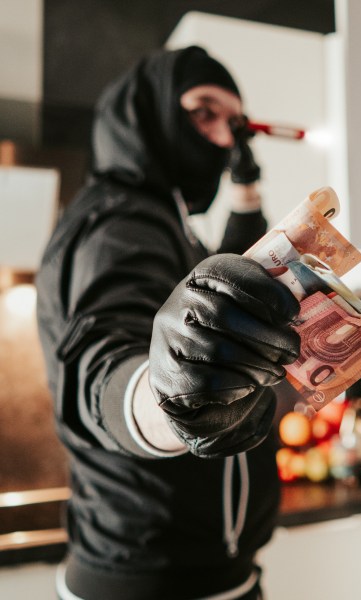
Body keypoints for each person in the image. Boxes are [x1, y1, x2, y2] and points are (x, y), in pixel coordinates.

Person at [36, 45, 300, 600]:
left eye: (234, 125)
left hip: (207, 574)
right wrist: (168, 395)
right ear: (146, 113)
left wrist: (246, 191)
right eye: (203, 112)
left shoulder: (164, 221)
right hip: (151, 584)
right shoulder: (122, 221)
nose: (225, 140)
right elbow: (101, 367)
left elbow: (234, 281)